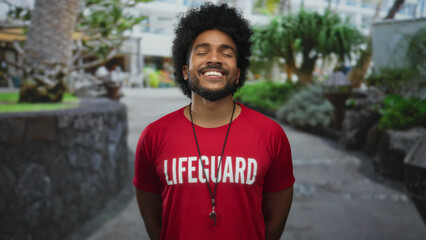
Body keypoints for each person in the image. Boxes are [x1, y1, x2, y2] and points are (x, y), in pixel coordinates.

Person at [133, 3, 295, 240]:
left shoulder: (271, 134)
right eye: (202, 51)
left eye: (226, 53)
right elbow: (154, 223)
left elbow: (275, 222)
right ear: (186, 71)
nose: (215, 59)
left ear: (238, 73)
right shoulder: (154, 135)